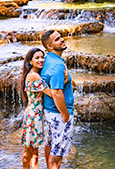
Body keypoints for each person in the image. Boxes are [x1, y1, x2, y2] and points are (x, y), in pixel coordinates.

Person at [20, 47, 68, 169]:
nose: (41, 60)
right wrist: (65, 78)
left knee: (34, 148)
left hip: (36, 114)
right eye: (37, 58)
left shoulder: (35, 74)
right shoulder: (34, 76)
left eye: (42, 57)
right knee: (29, 149)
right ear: (30, 61)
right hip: (34, 115)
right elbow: (52, 93)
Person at [40, 30, 74, 169]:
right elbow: (57, 93)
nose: (62, 40)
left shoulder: (47, 59)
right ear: (49, 46)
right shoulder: (57, 65)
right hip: (59, 113)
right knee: (58, 152)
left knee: (50, 143)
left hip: (49, 111)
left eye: (61, 37)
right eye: (57, 39)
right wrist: (65, 114)